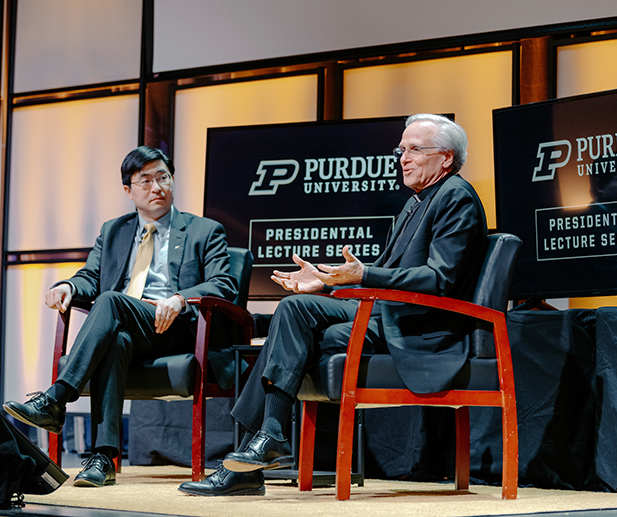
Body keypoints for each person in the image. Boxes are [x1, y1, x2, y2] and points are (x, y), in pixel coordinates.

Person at [178, 113, 487, 497]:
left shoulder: (456, 195)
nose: (403, 158)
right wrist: (324, 281)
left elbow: (440, 279)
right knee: (296, 309)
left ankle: (249, 455)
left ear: (444, 158)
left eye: (413, 149)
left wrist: (364, 275)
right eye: (400, 149)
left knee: (299, 328)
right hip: (385, 313)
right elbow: (379, 278)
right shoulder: (416, 203)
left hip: (420, 325)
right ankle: (267, 437)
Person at [4, 146, 238, 488]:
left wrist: (179, 298)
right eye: (146, 181)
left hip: (177, 330)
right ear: (128, 190)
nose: (157, 187)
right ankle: (103, 458)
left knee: (112, 302)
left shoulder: (205, 230)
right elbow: (91, 277)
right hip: (128, 328)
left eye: (163, 177)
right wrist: (69, 285)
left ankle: (55, 399)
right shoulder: (113, 230)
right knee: (116, 340)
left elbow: (223, 283)